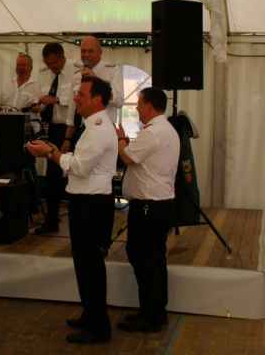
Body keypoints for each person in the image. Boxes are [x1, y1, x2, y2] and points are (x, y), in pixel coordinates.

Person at [27, 76, 117, 344]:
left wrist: (49, 154)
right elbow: (79, 161)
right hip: (86, 202)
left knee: (90, 266)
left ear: (97, 100)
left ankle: (99, 327)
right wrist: (55, 151)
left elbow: (79, 167)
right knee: (84, 264)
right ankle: (91, 314)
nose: (75, 98)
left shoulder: (98, 128)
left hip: (92, 204)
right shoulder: (93, 126)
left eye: (81, 94)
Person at [115, 87, 180, 332]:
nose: (137, 108)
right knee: (155, 258)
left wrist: (120, 139)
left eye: (139, 103)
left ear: (150, 106)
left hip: (148, 207)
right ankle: (156, 310)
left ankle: (150, 315)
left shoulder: (152, 132)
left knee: (142, 258)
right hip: (161, 204)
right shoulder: (167, 129)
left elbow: (128, 158)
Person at [33, 42, 78, 234]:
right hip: (53, 128)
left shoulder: (76, 70)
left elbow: (77, 100)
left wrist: (57, 99)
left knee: (76, 172)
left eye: (54, 63)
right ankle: (51, 220)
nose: (52, 67)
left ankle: (77, 222)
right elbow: (41, 98)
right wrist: (40, 106)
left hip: (72, 128)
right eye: (48, 64)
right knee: (52, 175)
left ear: (62, 57)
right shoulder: (43, 74)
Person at [66, 35, 124, 126]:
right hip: (80, 128)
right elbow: (72, 106)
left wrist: (96, 80)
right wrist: (69, 132)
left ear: (100, 52)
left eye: (91, 51)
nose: (86, 55)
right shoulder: (77, 74)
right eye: (83, 51)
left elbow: (119, 102)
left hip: (103, 126)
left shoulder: (112, 70)